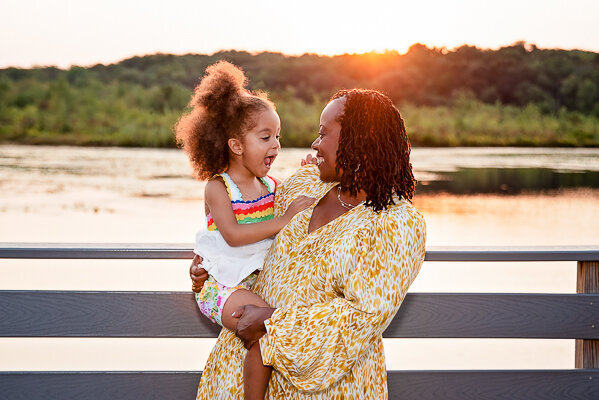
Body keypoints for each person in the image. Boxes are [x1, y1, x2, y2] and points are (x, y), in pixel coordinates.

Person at [191, 88, 427, 399]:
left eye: (323, 133)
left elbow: (362, 318)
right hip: (234, 378)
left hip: (324, 391)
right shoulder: (304, 186)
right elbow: (242, 219)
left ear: (360, 142)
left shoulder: (396, 223)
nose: (315, 144)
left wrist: (271, 321)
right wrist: (208, 264)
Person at [174, 60, 314, 400]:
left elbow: (303, 201)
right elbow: (232, 236)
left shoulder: (269, 185)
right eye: (265, 137)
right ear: (236, 146)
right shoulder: (219, 188)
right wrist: (283, 220)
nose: (275, 146)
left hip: (253, 282)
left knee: (284, 326)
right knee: (266, 328)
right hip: (220, 288)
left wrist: (311, 173)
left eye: (278, 137)